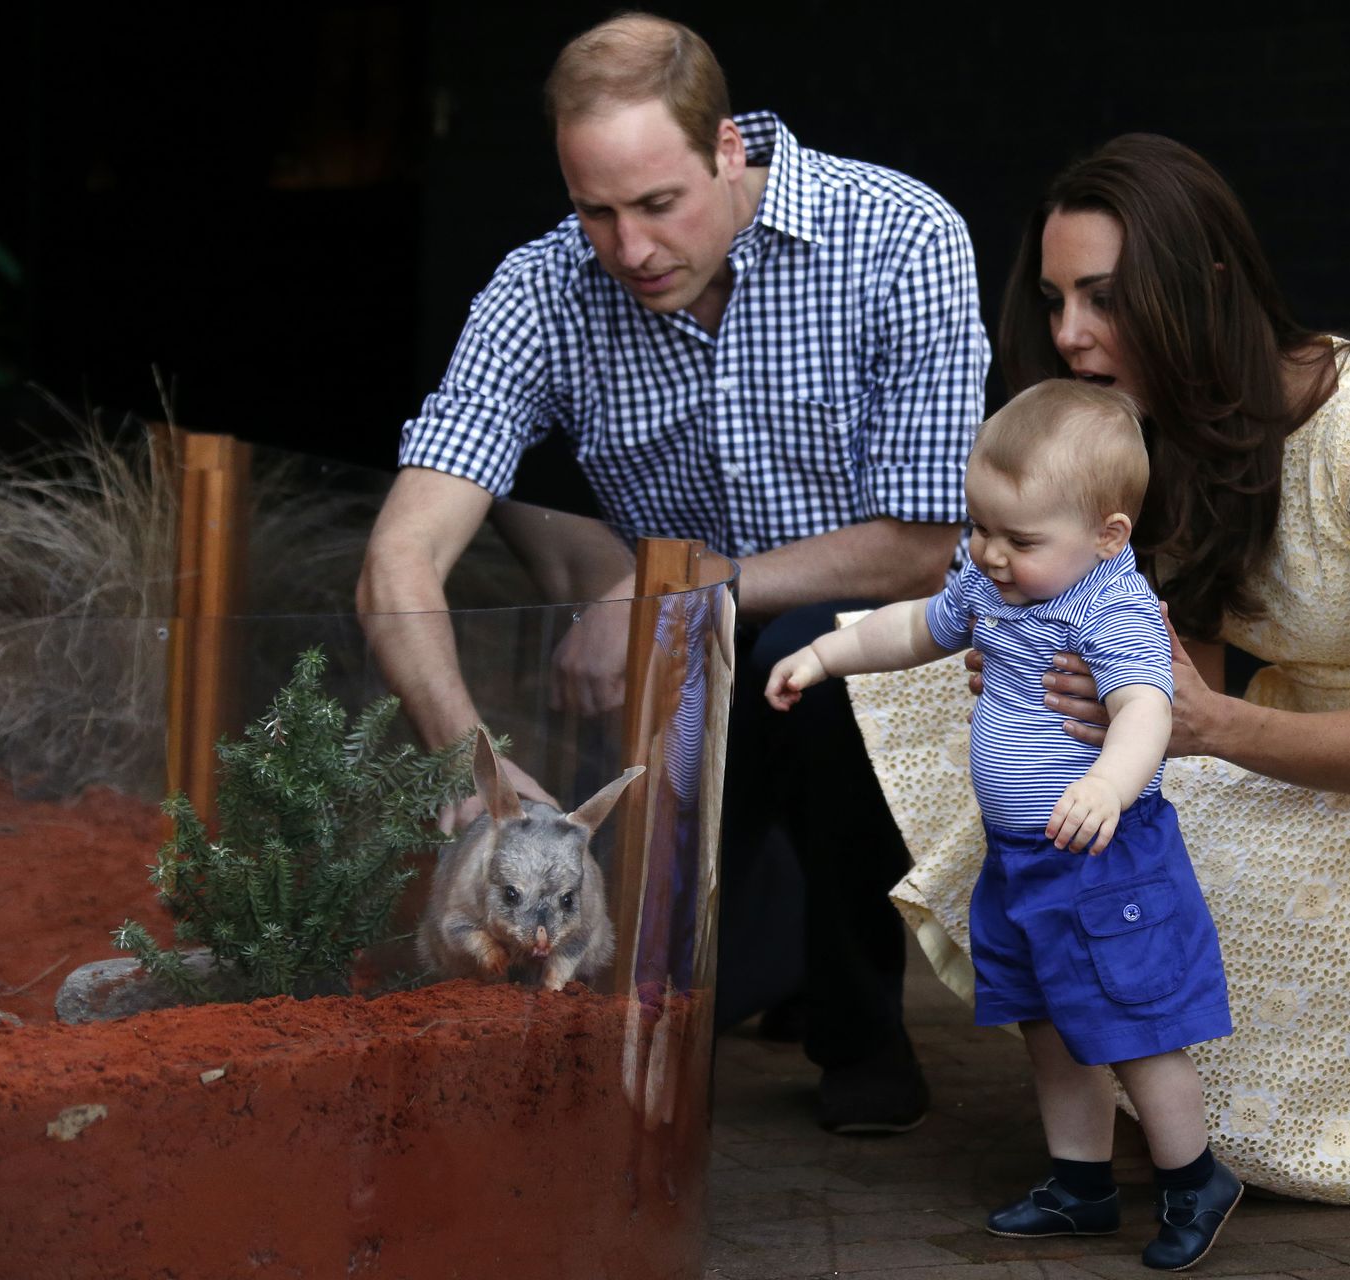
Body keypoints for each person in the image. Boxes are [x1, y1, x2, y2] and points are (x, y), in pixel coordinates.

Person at [850, 133, 1350, 1207]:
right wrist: (1059, 683)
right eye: (1054, 299)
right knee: (994, 742)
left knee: (1121, 864)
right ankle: (1128, 1095)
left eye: (1101, 297)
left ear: (1202, 282)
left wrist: (1199, 727)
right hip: (1277, 745)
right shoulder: (1163, 432)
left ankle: (1185, 1095)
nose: (1068, 333)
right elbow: (1187, 673)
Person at [355, 13, 990, 1133]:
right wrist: (472, 758)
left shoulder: (899, 234)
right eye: (595, 211)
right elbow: (399, 556)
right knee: (648, 1005)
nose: (631, 247)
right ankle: (753, 950)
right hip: (683, 677)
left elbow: (923, 541)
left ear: (727, 148)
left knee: (811, 650)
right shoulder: (542, 289)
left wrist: (669, 588)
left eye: (658, 204)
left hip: (889, 650)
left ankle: (860, 1027)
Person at [767, 379, 1242, 1268]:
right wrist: (826, 654)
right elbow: (915, 628)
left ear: (1108, 536)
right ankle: (1080, 1184)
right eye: (979, 527)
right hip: (1023, 860)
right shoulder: (994, 587)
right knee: (1051, 1025)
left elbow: (1145, 708)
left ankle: (1193, 1179)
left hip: (1105, 861)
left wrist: (1109, 783)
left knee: (1135, 1032)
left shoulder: (1110, 606)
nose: (989, 553)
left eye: (1019, 540)